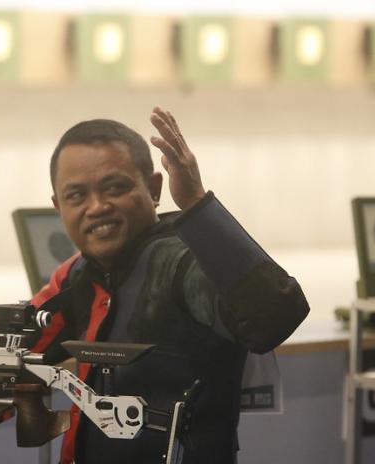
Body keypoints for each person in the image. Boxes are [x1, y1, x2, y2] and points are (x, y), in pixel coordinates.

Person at [30, 107, 309, 464]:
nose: (97, 207)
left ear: (154, 187)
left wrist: (196, 203)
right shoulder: (76, 275)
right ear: (58, 206)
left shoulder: (185, 264)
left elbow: (275, 317)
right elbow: (12, 350)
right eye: (76, 196)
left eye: (115, 188)